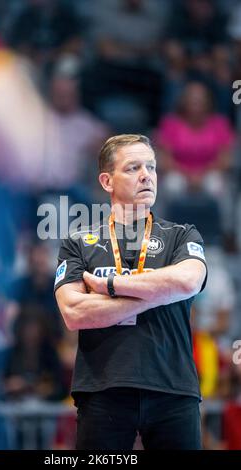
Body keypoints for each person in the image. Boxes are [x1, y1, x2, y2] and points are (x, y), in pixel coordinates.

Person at [54, 134, 207, 450]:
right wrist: (158, 290)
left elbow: (189, 282)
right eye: (133, 167)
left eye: (151, 167)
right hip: (103, 390)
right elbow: (74, 313)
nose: (146, 175)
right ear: (107, 181)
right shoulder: (78, 242)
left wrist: (110, 286)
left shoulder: (182, 235)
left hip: (173, 388)